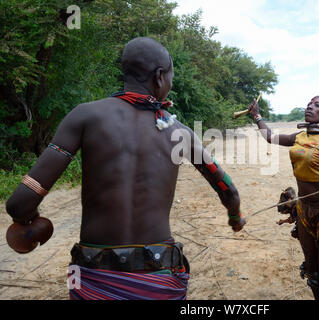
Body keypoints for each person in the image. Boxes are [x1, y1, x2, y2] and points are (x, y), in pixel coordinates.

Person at [5, 37, 246, 300]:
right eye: (171, 77)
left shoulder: (85, 116)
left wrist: (33, 223)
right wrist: (235, 218)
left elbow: (20, 204)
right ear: (159, 77)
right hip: (160, 279)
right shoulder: (180, 133)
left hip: (92, 280)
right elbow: (228, 190)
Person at [248, 95, 319, 300]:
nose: (310, 107)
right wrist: (257, 115)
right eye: (308, 104)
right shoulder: (299, 137)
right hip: (303, 211)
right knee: (311, 268)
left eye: (317, 105)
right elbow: (270, 137)